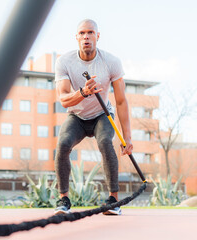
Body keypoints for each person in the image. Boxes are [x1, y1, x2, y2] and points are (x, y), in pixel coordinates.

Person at [53, 19, 133, 215]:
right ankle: (63, 200)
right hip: (77, 117)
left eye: (90, 32)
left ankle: (113, 200)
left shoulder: (111, 61)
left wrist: (128, 138)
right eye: (82, 33)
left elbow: (121, 101)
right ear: (77, 37)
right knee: (63, 145)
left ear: (97, 36)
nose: (86, 36)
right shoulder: (64, 61)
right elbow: (63, 99)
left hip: (101, 114)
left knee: (106, 142)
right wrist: (82, 92)